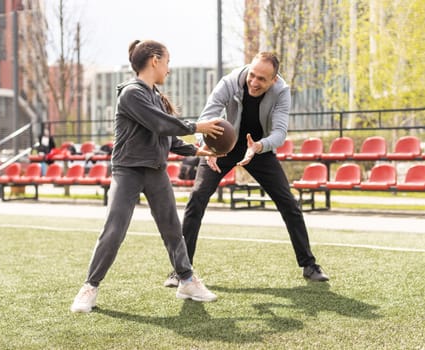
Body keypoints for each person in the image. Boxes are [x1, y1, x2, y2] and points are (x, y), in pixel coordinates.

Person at [70, 40, 225, 313]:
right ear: (154, 60)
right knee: (114, 230)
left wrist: (198, 150)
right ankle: (89, 287)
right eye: (167, 61)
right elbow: (159, 124)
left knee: (172, 230)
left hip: (155, 170)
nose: (169, 68)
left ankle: (186, 280)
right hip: (127, 170)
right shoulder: (131, 94)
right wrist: (197, 126)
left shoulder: (154, 97)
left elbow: (166, 137)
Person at [164, 52, 329, 288]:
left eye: (262, 79)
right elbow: (207, 116)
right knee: (197, 199)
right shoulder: (229, 82)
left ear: (273, 80)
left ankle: (309, 265)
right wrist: (204, 144)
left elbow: (280, 133)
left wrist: (259, 147)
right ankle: (181, 270)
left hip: (258, 148)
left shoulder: (281, 91)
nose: (254, 82)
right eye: (252, 75)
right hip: (222, 147)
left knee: (288, 203)